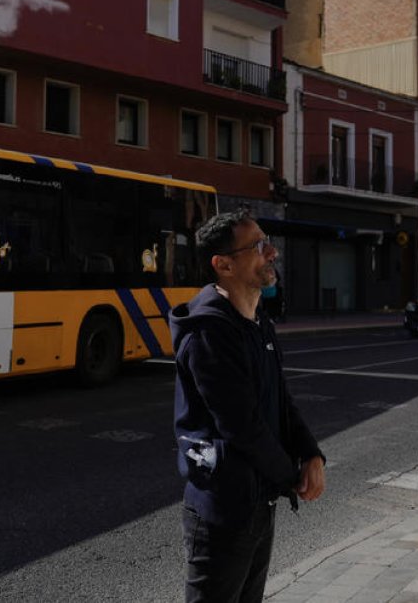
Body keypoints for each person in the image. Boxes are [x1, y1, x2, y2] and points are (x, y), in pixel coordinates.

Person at [171, 209, 325, 603]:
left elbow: (280, 399)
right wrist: (291, 474)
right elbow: (242, 425)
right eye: (257, 246)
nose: (271, 251)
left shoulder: (258, 323)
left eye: (266, 240)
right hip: (222, 508)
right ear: (223, 265)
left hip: (259, 500)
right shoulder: (209, 335)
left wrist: (310, 453)